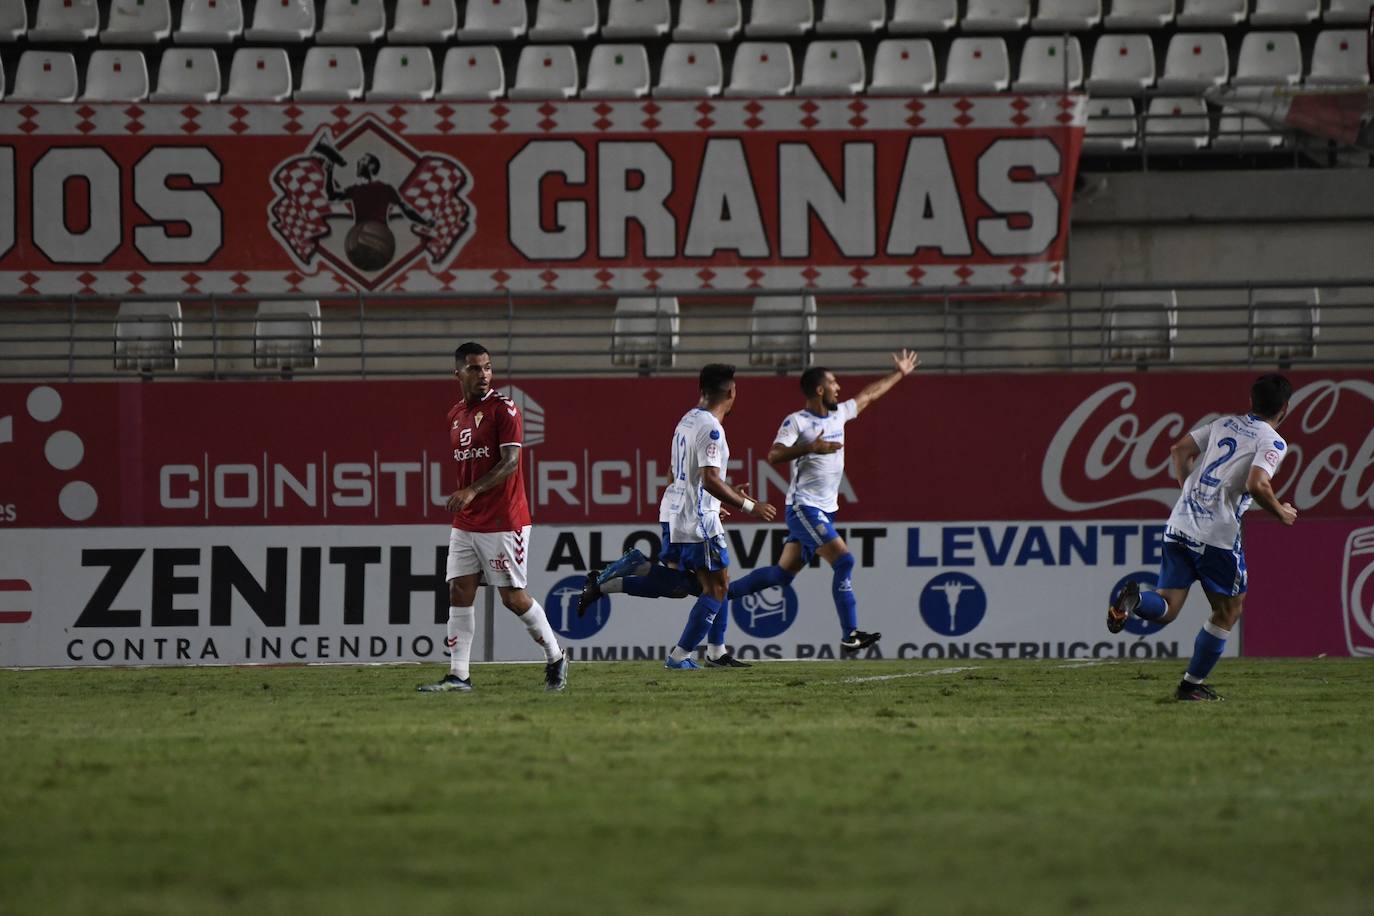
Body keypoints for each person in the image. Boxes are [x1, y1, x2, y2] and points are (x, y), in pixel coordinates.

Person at [1107, 373, 1298, 702]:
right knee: (1227, 611)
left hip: (1180, 522)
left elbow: (1179, 450)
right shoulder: (1273, 441)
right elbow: (1257, 484)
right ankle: (1190, 687)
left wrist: (1188, 492)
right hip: (1215, 537)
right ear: (1284, 409)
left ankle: (1134, 601)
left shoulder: (1224, 423)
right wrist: (1281, 512)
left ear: (1251, 401)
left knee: (1166, 607)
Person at [722, 350, 920, 653]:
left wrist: (900, 373)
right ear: (819, 389)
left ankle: (720, 595)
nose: (838, 388)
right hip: (804, 508)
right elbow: (774, 454)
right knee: (844, 560)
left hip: (825, 511)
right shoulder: (797, 422)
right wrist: (811, 447)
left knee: (781, 576)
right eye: (833, 383)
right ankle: (849, 634)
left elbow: (869, 396)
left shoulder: (839, 414)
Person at [592, 364, 777, 670]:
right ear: (731, 392)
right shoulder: (712, 429)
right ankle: (680, 656)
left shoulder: (687, 420)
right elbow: (710, 480)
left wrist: (715, 501)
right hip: (697, 520)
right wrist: (747, 505)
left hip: (680, 514)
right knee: (716, 588)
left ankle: (716, 652)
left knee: (703, 585)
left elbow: (675, 474)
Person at [419, 342, 569, 693]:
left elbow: (511, 462)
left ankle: (555, 656)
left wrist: (471, 491)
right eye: (474, 368)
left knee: (512, 598)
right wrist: (467, 498)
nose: (483, 374)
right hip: (467, 522)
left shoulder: (505, 409)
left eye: (487, 367)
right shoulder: (454, 414)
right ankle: (459, 676)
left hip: (504, 519)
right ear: (458, 373)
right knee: (458, 591)